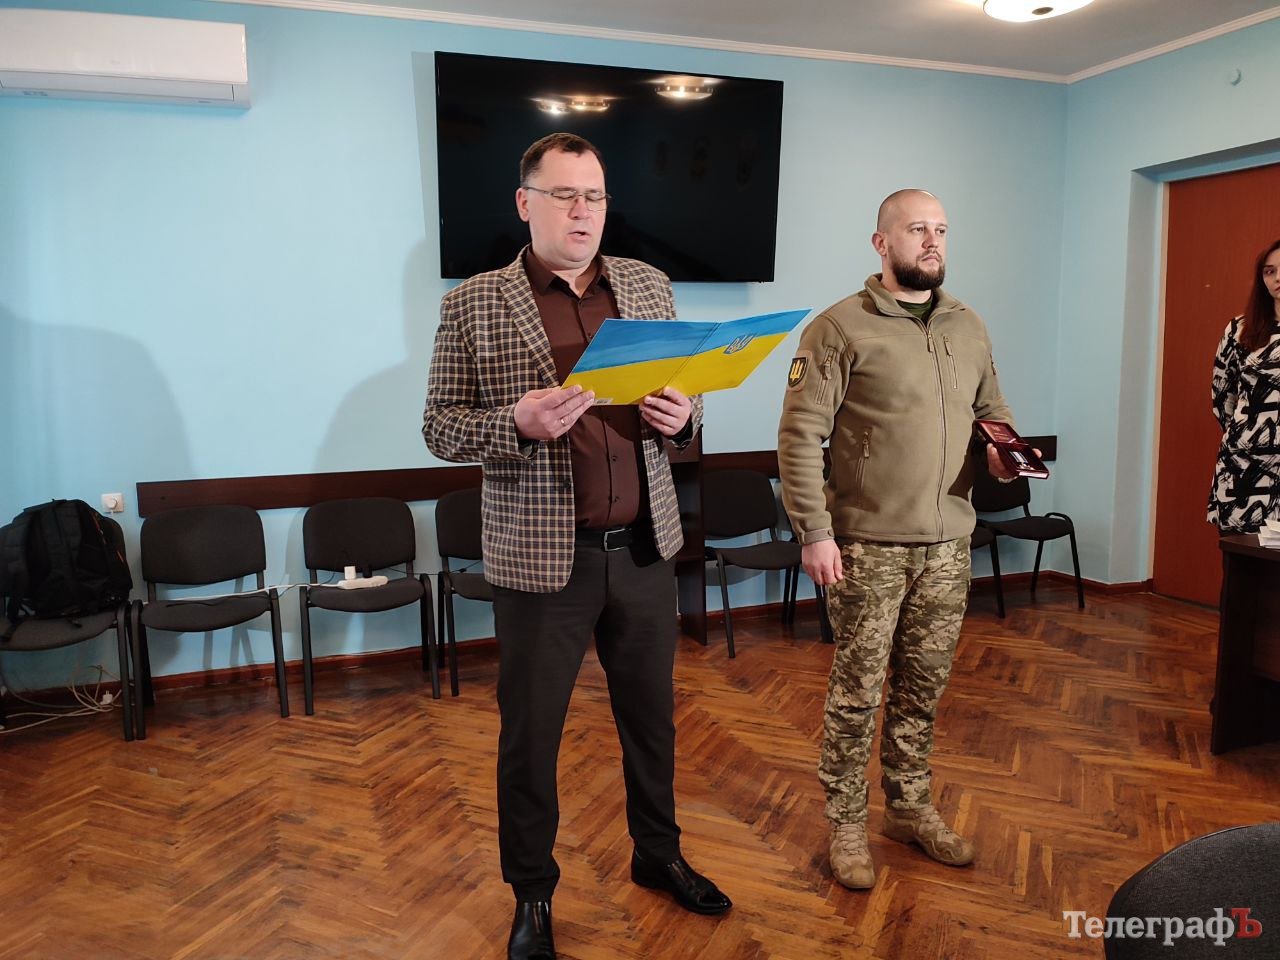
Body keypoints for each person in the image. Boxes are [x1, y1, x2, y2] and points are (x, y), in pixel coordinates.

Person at [422, 132, 731, 960]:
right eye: (565, 196)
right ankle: (532, 894)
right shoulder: (473, 303)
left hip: (644, 551)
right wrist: (515, 423)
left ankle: (658, 854)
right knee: (531, 738)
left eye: (594, 196)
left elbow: (690, 398)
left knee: (652, 724)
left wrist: (685, 417)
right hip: (540, 566)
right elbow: (439, 427)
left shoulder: (648, 286)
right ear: (526, 203)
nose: (583, 212)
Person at [777, 189, 1021, 890]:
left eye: (941, 229)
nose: (933, 241)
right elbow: (800, 437)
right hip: (866, 546)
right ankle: (847, 825)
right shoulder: (839, 328)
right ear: (882, 243)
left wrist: (1003, 455)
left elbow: (993, 414)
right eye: (918, 229)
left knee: (922, 686)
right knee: (857, 692)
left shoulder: (968, 324)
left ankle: (909, 808)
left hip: (947, 544)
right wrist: (814, 532)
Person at [1207, 237, 1280, 534]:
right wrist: (1249, 435)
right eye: (1270, 271)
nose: (1278, 278)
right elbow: (1222, 395)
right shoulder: (1239, 330)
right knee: (1241, 561)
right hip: (1244, 468)